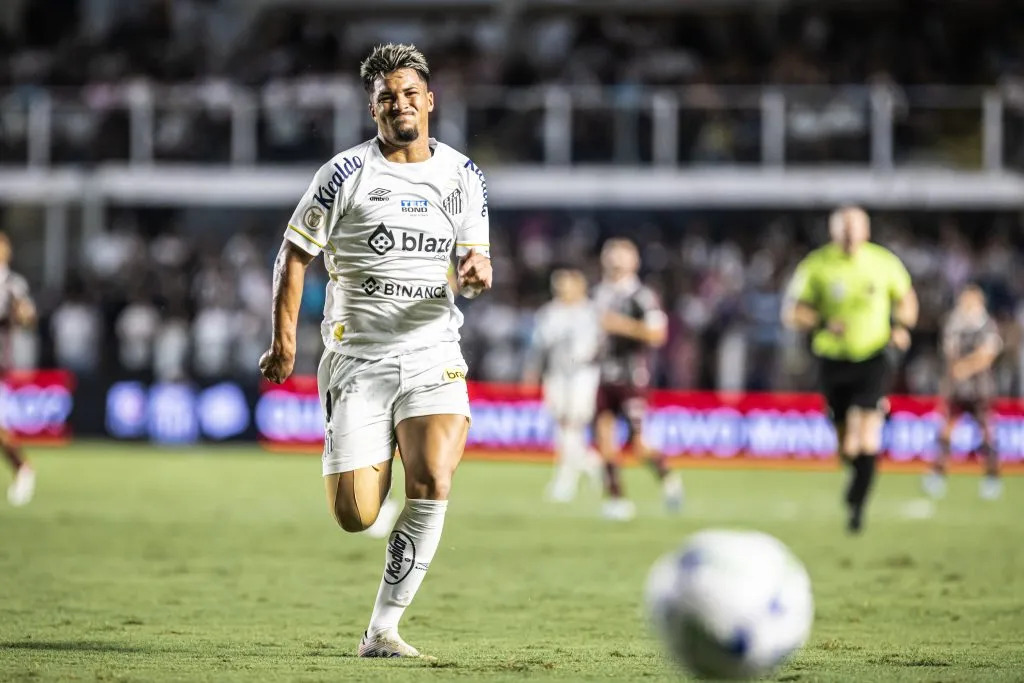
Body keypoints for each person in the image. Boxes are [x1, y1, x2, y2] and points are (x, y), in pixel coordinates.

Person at [258, 43, 492, 659]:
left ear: (429, 100)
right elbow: (293, 256)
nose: (400, 103)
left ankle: (383, 630)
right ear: (374, 109)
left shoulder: (463, 175)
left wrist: (475, 272)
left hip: (433, 352)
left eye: (410, 93)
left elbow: (474, 261)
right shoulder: (344, 174)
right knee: (357, 515)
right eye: (388, 97)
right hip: (357, 359)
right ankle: (368, 451)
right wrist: (283, 341)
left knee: (433, 478)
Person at [782, 206, 918, 534]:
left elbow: (907, 301)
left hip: (873, 355)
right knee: (846, 445)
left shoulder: (884, 262)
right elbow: (792, 312)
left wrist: (901, 327)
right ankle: (856, 477)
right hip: (832, 359)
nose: (850, 234)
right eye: (844, 228)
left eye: (855, 228)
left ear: (866, 231)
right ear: (833, 232)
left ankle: (857, 503)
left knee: (867, 432)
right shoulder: (816, 265)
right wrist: (822, 321)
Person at [592, 238, 682, 522]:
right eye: (611, 256)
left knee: (637, 445)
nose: (615, 262)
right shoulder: (598, 294)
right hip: (602, 375)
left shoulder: (642, 296)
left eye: (621, 256)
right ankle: (616, 499)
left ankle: (667, 475)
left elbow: (657, 334)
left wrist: (622, 326)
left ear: (634, 262)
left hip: (632, 377)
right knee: (604, 437)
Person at [522, 268, 603, 502]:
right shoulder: (549, 313)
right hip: (556, 374)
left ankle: (565, 480)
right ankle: (591, 462)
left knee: (572, 425)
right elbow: (538, 347)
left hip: (583, 375)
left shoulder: (591, 312)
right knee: (562, 425)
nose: (561, 289)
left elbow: (600, 345)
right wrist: (532, 372)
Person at [923, 283, 1003, 500]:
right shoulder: (953, 322)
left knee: (986, 433)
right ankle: (938, 474)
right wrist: (957, 371)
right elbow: (950, 353)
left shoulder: (987, 325)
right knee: (946, 432)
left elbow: (987, 355)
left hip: (980, 390)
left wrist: (965, 367)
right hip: (957, 390)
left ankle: (992, 477)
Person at [0, 231, 36, 506]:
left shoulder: (12, 283)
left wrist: (22, 314)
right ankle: (21, 467)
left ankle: (22, 466)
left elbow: (28, 317)